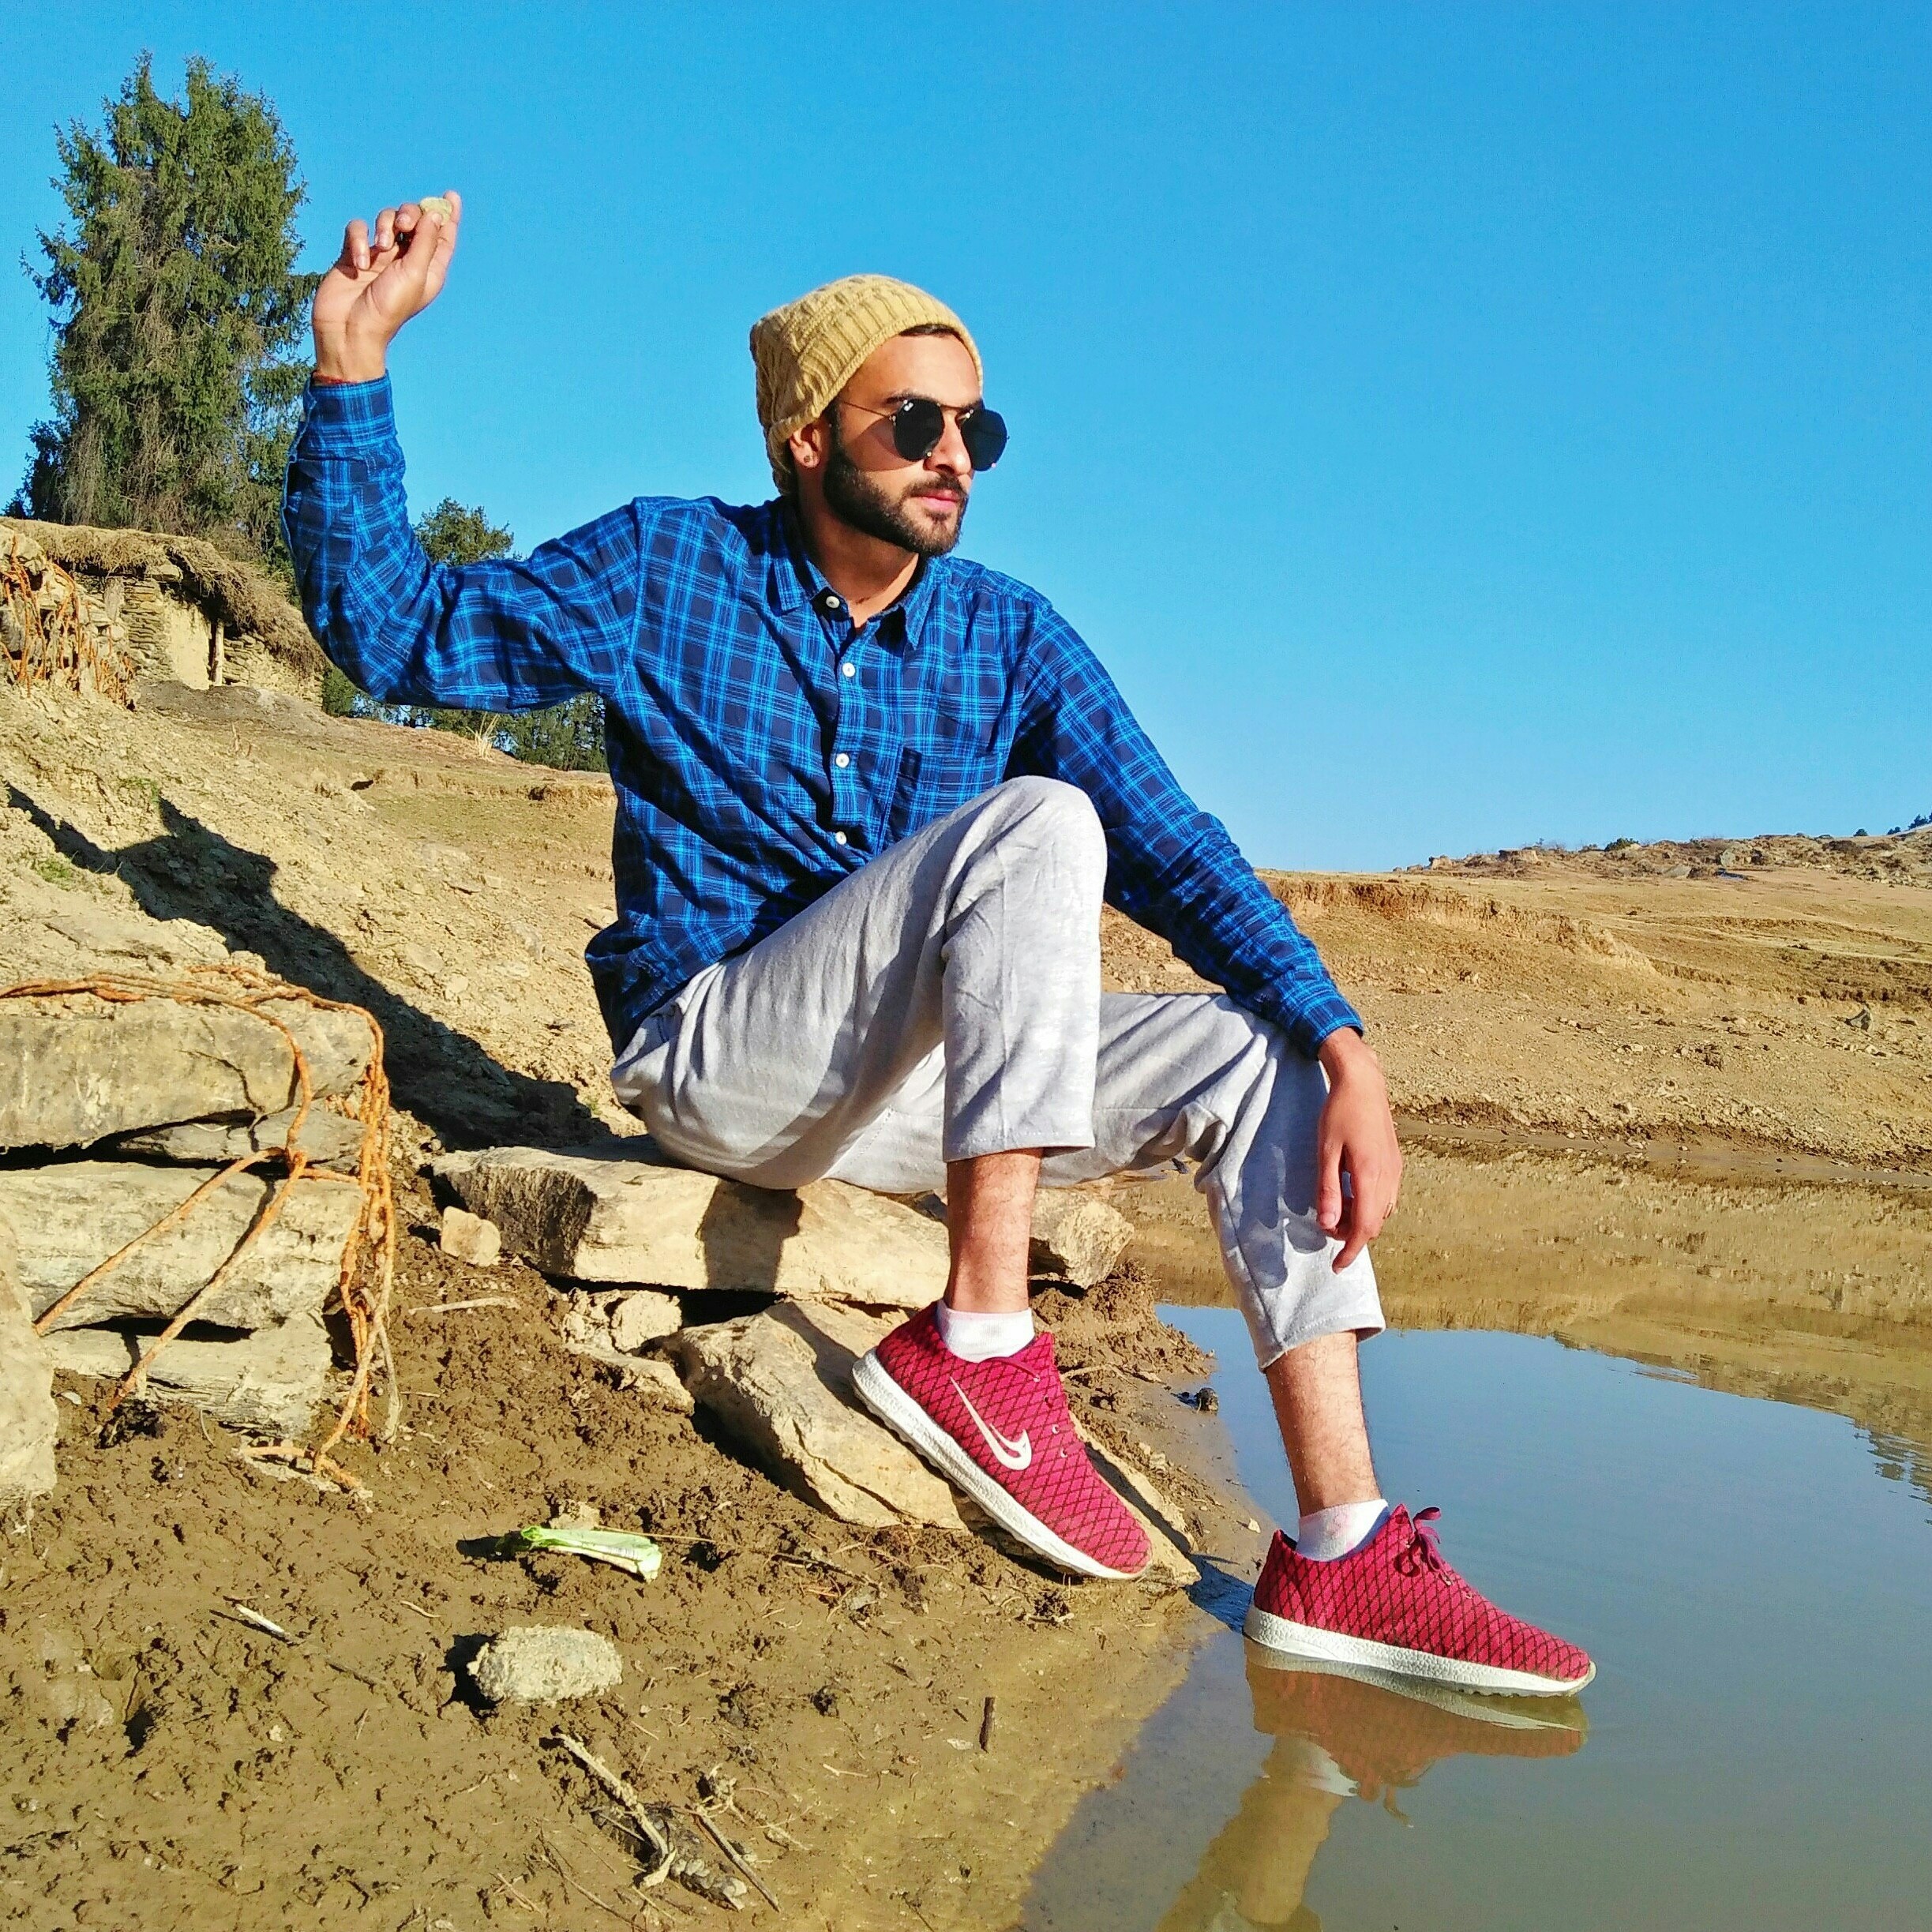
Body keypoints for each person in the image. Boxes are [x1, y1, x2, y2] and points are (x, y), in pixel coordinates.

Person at [283, 191, 1592, 1694]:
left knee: (1257, 1049)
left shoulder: (1007, 634)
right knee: (1042, 823)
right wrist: (354, 363)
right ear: (805, 438)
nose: (954, 455)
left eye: (977, 429)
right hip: (721, 1059)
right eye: (914, 423)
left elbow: (1176, 846)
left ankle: (1343, 1548)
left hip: (908, 1103)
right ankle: (980, 1348)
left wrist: (1343, 1042)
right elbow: (397, 631)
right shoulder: (668, 567)